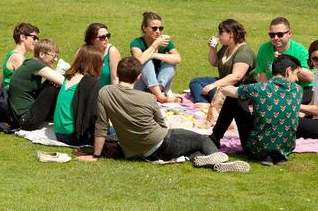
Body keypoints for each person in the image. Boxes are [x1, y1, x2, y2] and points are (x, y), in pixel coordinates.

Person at [83, 57, 229, 166]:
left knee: (189, 148)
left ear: (118, 73)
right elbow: (162, 125)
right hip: (161, 142)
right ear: (139, 76)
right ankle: (219, 161)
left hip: (140, 152)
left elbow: (101, 125)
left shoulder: (104, 92)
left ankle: (198, 159)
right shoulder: (148, 98)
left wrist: (96, 155)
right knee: (202, 139)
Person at [218, 54, 304, 164]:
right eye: (296, 74)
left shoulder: (259, 88)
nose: (296, 79)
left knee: (234, 98)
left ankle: (215, 138)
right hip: (286, 148)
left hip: (257, 150)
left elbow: (229, 91)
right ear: (288, 71)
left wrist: (221, 87)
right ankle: (276, 155)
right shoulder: (298, 90)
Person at [189, 19, 256, 106]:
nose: (218, 36)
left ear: (231, 34)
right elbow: (214, 62)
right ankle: (203, 103)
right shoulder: (226, 46)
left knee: (212, 91)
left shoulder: (244, 52)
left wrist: (213, 85)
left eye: (221, 33)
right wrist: (213, 48)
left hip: (238, 90)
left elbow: (236, 77)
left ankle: (214, 103)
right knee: (196, 82)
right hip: (223, 84)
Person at [6, 38, 64, 130]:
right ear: (41, 54)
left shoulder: (29, 63)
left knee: (52, 82)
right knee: (54, 86)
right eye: (53, 56)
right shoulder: (35, 65)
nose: (55, 59)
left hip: (20, 117)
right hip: (26, 121)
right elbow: (64, 82)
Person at [255, 16, 315, 103]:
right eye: (272, 35)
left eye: (280, 34)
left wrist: (286, 61)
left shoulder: (300, 51)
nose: (275, 38)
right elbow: (263, 78)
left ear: (290, 34)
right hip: (276, 91)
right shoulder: (264, 49)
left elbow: (310, 78)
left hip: (301, 92)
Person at [52, 47, 104, 147]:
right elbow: (94, 114)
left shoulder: (69, 76)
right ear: (94, 63)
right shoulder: (91, 83)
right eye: (101, 61)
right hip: (73, 136)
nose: (103, 64)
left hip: (58, 132)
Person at [129, 11, 180, 103]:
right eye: (154, 28)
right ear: (145, 28)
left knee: (170, 61)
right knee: (146, 61)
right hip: (140, 83)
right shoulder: (137, 43)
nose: (158, 31)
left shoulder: (164, 41)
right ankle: (160, 97)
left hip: (158, 83)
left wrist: (154, 55)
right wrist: (154, 46)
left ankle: (157, 93)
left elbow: (177, 58)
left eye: (160, 28)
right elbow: (138, 61)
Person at [0, 22, 40, 91]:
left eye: (37, 38)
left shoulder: (11, 53)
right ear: (22, 37)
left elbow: (2, 77)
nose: (36, 41)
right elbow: (28, 82)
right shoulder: (18, 57)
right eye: (34, 38)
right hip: (13, 98)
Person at [85, 22, 121, 90]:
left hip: (105, 95)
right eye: (102, 37)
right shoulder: (85, 51)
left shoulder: (112, 51)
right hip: (88, 93)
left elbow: (115, 79)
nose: (106, 39)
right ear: (92, 39)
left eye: (108, 35)